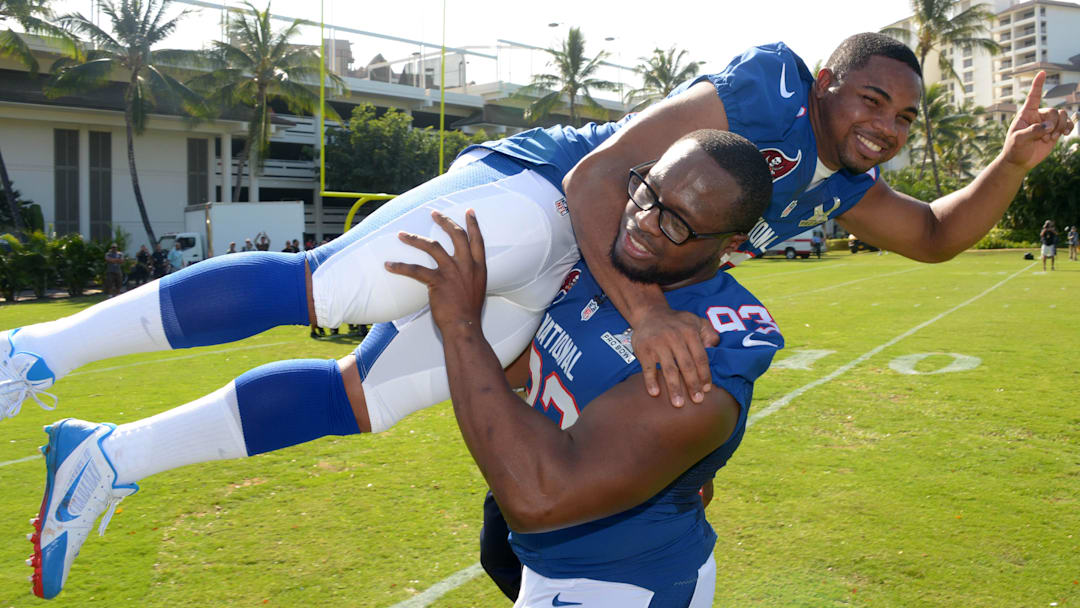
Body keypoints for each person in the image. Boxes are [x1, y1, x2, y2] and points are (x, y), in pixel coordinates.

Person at [0, 33, 1071, 425]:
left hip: (568, 278)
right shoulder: (772, 89)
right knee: (335, 288)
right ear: (831, 80)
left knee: (363, 398)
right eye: (874, 101)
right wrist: (646, 311)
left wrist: (1013, 163)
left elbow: (933, 236)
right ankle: (29, 351)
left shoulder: (827, 185)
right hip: (544, 197)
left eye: (903, 117)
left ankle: (108, 457)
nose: (885, 127)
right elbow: (609, 170)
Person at [27, 131, 780, 603]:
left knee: (332, 309)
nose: (645, 223)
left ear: (733, 245)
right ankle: (66, 398)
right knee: (357, 385)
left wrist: (459, 325)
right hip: (559, 563)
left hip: (623, 582)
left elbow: (542, 496)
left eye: (678, 222)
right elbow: (532, 376)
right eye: (646, 193)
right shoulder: (599, 255)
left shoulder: (707, 353)